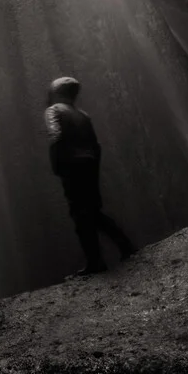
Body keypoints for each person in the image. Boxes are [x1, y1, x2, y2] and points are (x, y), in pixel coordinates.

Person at [45, 76, 136, 276]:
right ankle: (126, 246)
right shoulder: (83, 115)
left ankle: (95, 262)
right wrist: (94, 168)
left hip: (71, 166)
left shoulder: (53, 111)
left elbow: (56, 136)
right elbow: (96, 146)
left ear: (57, 93)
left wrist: (56, 164)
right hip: (89, 164)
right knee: (93, 212)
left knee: (79, 215)